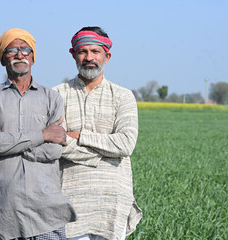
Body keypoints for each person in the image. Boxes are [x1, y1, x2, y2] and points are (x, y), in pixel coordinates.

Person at [0, 28, 76, 240]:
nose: (19, 55)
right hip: (3, 209)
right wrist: (43, 134)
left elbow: (53, 150)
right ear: (3, 59)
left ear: (33, 56)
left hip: (46, 209)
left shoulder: (52, 98)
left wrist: (8, 141)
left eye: (25, 50)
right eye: (11, 51)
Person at [53, 26, 142, 240]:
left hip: (111, 203)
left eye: (95, 52)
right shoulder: (56, 95)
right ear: (73, 54)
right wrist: (101, 155)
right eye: (83, 51)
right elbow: (55, 143)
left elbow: (126, 144)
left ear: (107, 56)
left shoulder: (123, 96)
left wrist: (80, 135)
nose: (89, 57)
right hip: (69, 200)